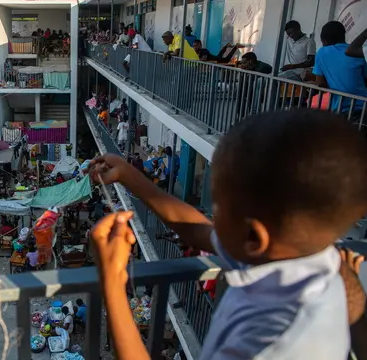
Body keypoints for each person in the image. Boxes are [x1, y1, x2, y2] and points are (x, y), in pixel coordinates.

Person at [88, 109, 367, 359]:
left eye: (218, 207)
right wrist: (128, 175)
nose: (211, 214)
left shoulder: (269, 342)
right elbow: (194, 230)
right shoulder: (290, 254)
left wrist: (112, 282)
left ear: (254, 237)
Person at [314, 21, 367, 114]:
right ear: (343, 35)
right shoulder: (360, 53)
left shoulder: (322, 53)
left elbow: (320, 82)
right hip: (363, 106)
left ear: (324, 40)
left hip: (340, 108)